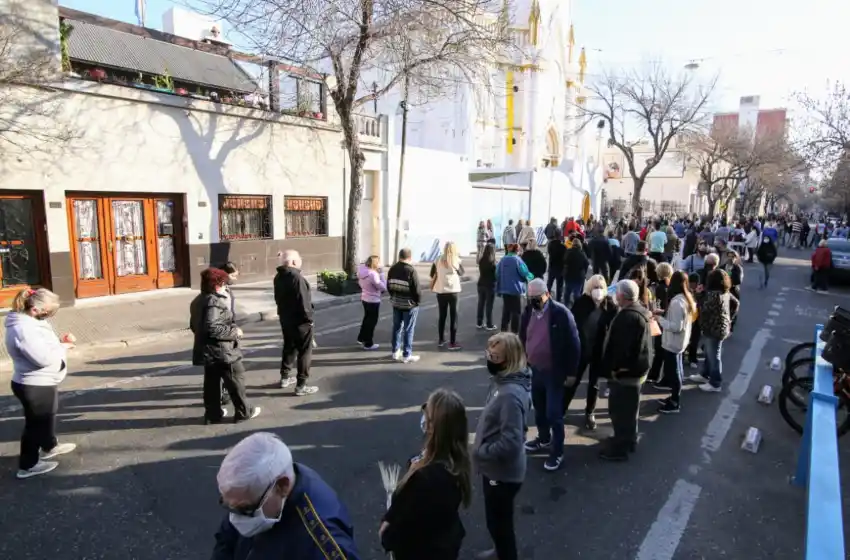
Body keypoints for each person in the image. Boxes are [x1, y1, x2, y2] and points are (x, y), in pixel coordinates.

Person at [212, 432, 360, 560]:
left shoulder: (318, 543)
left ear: (282, 486)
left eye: (245, 509)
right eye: (230, 508)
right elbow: (226, 541)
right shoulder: (250, 495)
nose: (237, 520)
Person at [381, 389, 472, 560]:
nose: (423, 416)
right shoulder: (456, 462)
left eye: (427, 412)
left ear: (433, 426)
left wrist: (386, 533)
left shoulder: (427, 479)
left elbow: (407, 526)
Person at [5, 288, 77, 479]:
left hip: (42, 382)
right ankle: (28, 465)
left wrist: (59, 342)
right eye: (48, 311)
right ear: (35, 309)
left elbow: (44, 346)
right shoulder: (23, 330)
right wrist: (63, 347)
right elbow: (42, 359)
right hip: (34, 385)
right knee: (35, 425)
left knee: (46, 417)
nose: (49, 315)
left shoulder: (31, 321)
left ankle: (49, 446)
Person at [474, 333, 532, 560]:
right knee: (496, 520)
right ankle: (500, 551)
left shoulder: (510, 395)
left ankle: (505, 554)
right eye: (488, 353)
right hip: (495, 469)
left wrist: (482, 452)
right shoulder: (504, 382)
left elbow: (511, 442)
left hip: (502, 473)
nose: (489, 359)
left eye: (494, 356)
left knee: (500, 523)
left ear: (508, 360)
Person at [520, 279, 581, 472]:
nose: (534, 302)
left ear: (547, 294)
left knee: (554, 413)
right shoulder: (529, 311)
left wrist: (572, 372)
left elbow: (574, 344)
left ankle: (557, 451)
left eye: (537, 298)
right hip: (534, 369)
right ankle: (544, 438)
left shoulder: (561, 313)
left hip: (554, 371)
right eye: (531, 299)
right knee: (539, 408)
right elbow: (523, 335)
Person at [191, 268, 260, 424]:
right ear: (217, 285)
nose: (225, 286)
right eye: (223, 283)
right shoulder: (214, 302)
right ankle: (244, 412)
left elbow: (194, 325)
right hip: (222, 350)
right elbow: (212, 327)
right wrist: (234, 332)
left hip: (207, 350)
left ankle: (213, 415)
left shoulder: (197, 300)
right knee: (236, 379)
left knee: (212, 383)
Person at [598, 280, 653, 461]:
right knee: (630, 411)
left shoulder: (628, 317)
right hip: (635, 372)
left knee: (621, 411)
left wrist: (615, 370)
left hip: (626, 374)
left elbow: (622, 350)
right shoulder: (640, 310)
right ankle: (628, 440)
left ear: (621, 296)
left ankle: (620, 448)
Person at [563, 275, 617, 430]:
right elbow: (571, 326)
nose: (598, 291)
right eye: (595, 287)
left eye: (600, 287)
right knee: (573, 381)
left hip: (598, 350)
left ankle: (590, 412)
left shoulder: (610, 305)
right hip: (581, 349)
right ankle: (562, 408)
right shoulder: (582, 303)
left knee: (594, 384)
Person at [274, 250, 317, 396]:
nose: (300, 261)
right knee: (305, 351)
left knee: (289, 347)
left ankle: (285, 377)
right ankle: (301, 385)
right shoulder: (297, 277)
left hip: (286, 318)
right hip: (300, 321)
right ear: (293, 262)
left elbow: (278, 299)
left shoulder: (279, 276)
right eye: (299, 259)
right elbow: (304, 303)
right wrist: (309, 321)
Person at [689, 269, 738, 392]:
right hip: (720, 327)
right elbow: (736, 303)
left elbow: (703, 308)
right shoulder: (725, 292)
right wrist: (729, 318)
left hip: (713, 329)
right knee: (709, 353)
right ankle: (704, 374)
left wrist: (698, 294)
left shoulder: (713, 295)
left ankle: (715, 382)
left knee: (713, 355)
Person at [654, 271, 696, 413]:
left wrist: (660, 320)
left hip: (673, 342)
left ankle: (674, 402)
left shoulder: (677, 303)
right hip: (680, 342)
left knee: (675, 372)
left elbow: (675, 326)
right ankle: (673, 396)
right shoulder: (686, 298)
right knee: (677, 369)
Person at [387, 248, 422, 363]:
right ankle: (407, 354)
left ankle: (395, 351)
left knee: (396, 327)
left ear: (399, 256)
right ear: (410, 257)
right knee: (408, 329)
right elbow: (416, 290)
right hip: (409, 304)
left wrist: (394, 296)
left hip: (396, 302)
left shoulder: (392, 269)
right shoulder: (411, 270)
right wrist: (417, 302)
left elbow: (389, 285)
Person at [431, 241, 465, 350]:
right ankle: (452, 342)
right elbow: (462, 273)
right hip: (453, 291)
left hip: (441, 291)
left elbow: (432, 274)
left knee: (442, 316)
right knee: (453, 316)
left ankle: (441, 340)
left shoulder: (438, 259)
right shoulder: (456, 260)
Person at [496, 244, 533, 333]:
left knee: (506, 310)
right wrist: (532, 276)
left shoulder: (502, 260)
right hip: (516, 289)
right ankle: (514, 332)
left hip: (504, 289)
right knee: (516, 312)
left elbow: (497, 273)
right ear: (517, 251)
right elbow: (525, 273)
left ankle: (503, 330)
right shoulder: (518, 260)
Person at [647, 263, 673, 383]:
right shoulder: (671, 285)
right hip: (669, 319)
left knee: (658, 349)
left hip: (661, 319)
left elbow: (657, 304)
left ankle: (654, 375)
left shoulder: (659, 288)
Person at [357, 255, 386, 350]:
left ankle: (361, 338)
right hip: (373, 300)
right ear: (375, 264)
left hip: (364, 298)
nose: (380, 264)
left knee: (366, 319)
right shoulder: (373, 274)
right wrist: (381, 275)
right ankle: (368, 343)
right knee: (371, 322)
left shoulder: (362, 269)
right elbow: (382, 287)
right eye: (378, 262)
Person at [563, 237, 589, 306]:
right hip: (579, 277)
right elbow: (586, 264)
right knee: (577, 293)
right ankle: (576, 307)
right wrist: (584, 273)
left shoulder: (568, 251)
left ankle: (566, 305)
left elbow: (564, 261)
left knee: (567, 292)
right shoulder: (582, 253)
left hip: (568, 275)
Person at [477, 244, 498, 330]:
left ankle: (479, 322)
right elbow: (496, 275)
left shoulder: (482, 260)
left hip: (481, 283)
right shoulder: (493, 262)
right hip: (490, 285)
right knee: (489, 305)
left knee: (481, 304)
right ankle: (489, 324)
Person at [546, 233, 566, 302]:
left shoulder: (550, 245)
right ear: (560, 237)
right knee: (559, 287)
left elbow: (549, 253)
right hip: (560, 269)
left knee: (549, 285)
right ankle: (558, 300)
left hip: (552, 267)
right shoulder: (563, 247)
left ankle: (545, 299)